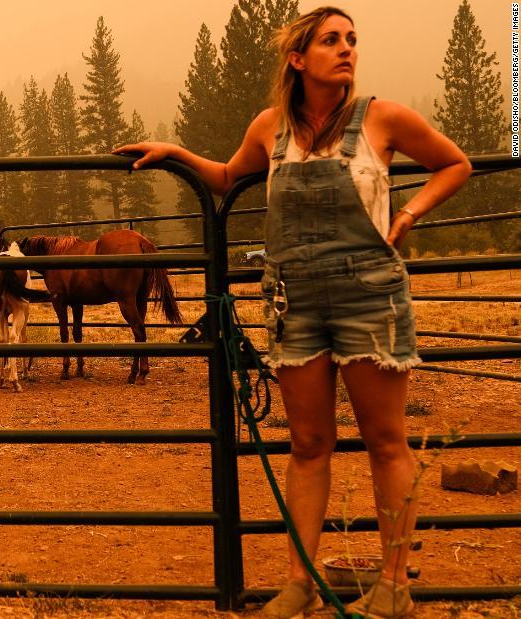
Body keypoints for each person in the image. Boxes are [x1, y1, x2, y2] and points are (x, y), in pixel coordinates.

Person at [115, 7, 470, 618]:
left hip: (371, 297)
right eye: (331, 40)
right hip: (294, 301)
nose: (347, 49)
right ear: (298, 59)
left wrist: (407, 215)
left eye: (352, 40)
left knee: (386, 441)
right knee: (308, 443)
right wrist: (176, 152)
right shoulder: (270, 128)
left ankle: (394, 587)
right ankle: (299, 583)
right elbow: (229, 177)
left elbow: (455, 163)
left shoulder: (383, 118)